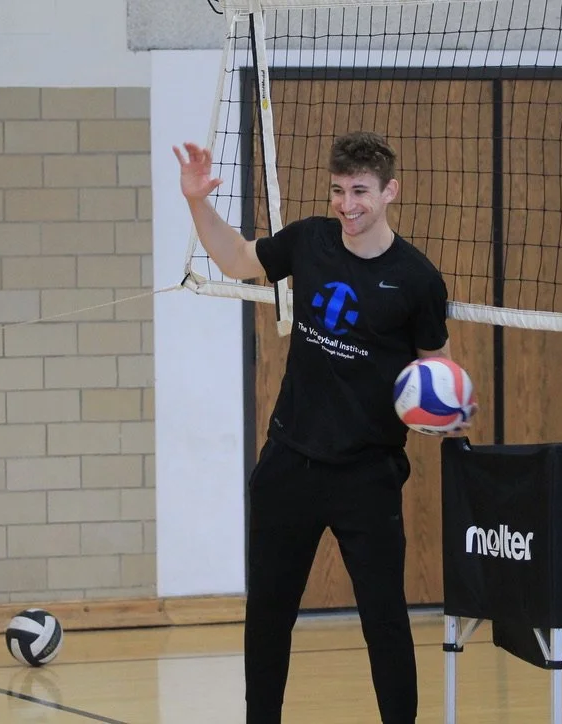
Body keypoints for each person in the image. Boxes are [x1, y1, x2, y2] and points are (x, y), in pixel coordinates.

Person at [174, 130, 475, 724]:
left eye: (360, 191)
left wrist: (445, 406)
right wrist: (196, 201)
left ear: (390, 191)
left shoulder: (417, 279)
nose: (347, 204)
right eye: (338, 190)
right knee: (267, 616)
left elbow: (434, 365)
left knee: (384, 621)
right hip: (290, 461)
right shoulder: (310, 240)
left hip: (367, 474)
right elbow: (237, 261)